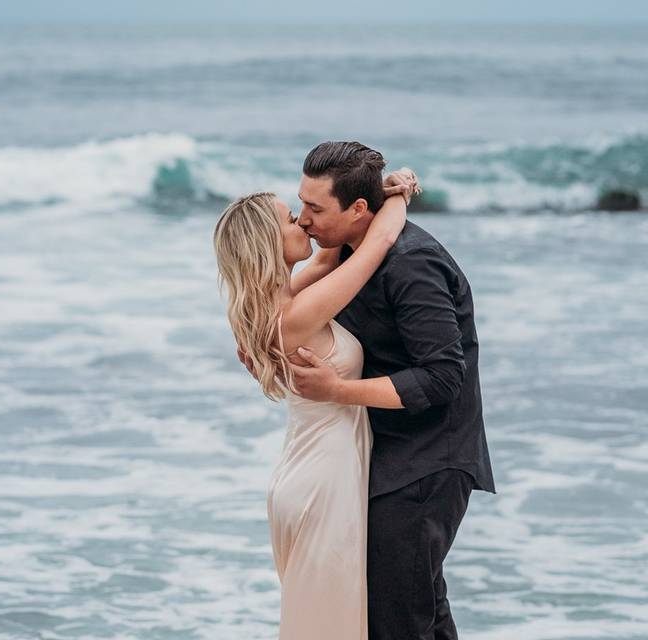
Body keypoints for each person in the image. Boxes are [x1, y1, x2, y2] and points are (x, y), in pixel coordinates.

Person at [285, 141, 496, 640]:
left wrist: (337, 390)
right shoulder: (352, 251)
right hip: (386, 455)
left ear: (358, 209)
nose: (303, 221)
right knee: (420, 611)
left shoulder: (412, 264)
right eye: (302, 204)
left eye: (316, 209)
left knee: (397, 619)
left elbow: (445, 376)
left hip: (428, 461)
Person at [212, 159, 418, 640]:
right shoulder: (295, 314)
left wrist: (375, 190)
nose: (302, 221)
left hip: (303, 473)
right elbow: (376, 245)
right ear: (269, 244)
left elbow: (329, 258)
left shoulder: (276, 305)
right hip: (324, 481)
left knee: (322, 622)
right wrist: (401, 192)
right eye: (290, 218)